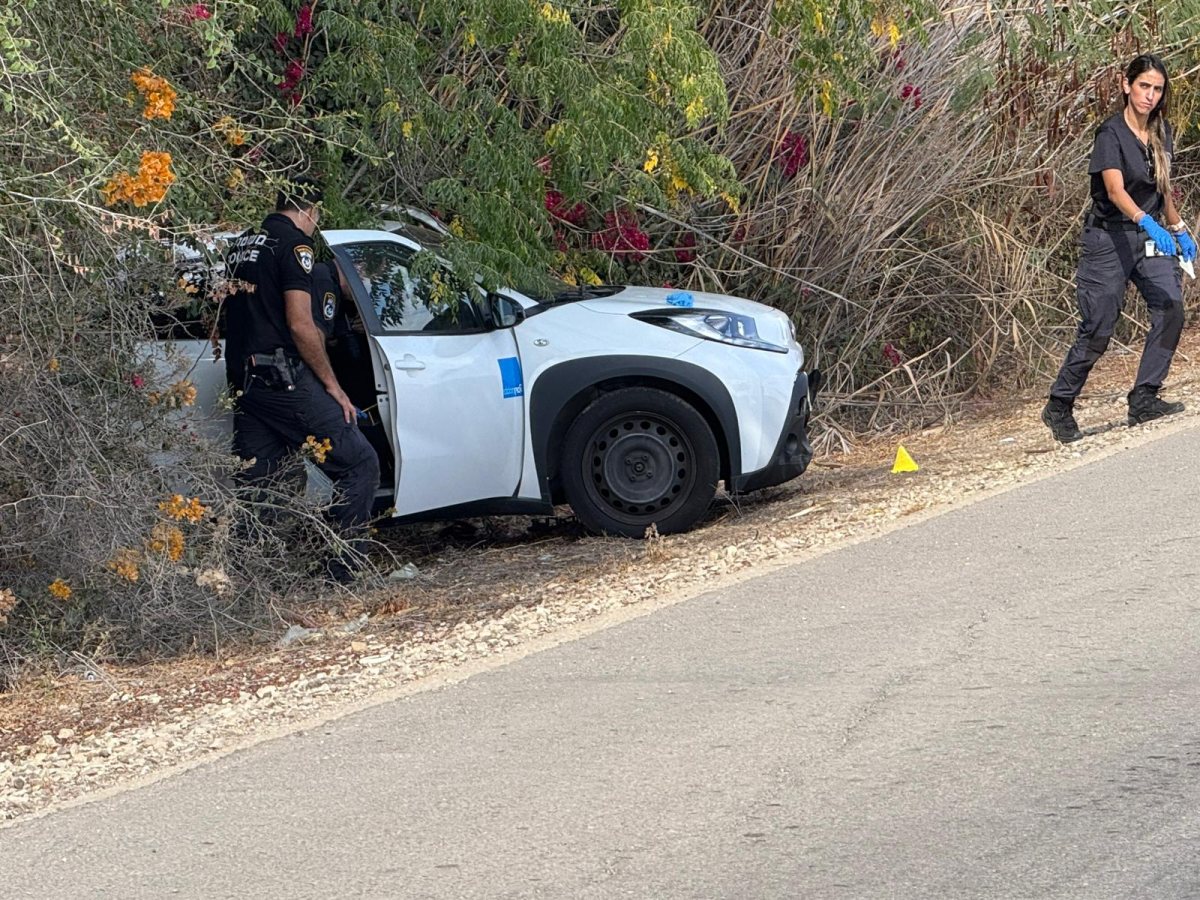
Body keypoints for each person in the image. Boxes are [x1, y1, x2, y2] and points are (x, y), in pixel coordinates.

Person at [224, 177, 380, 581]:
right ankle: (342, 574)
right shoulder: (296, 246)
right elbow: (300, 324)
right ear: (312, 211)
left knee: (262, 486)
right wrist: (333, 386)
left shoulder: (242, 243)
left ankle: (249, 587)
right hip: (282, 377)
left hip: (244, 381)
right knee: (360, 462)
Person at [1043, 54, 1196, 444]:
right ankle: (1059, 405)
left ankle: (1144, 397)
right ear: (1127, 86)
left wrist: (1178, 228)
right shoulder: (1110, 134)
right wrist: (1146, 221)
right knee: (1098, 326)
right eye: (1143, 86)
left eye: (1157, 89)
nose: (1149, 95)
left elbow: (1162, 187)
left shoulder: (1161, 131)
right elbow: (1114, 190)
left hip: (1149, 237)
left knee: (1171, 307)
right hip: (1108, 239)